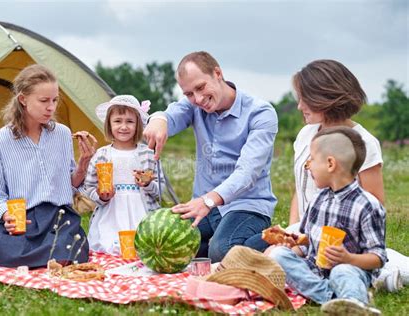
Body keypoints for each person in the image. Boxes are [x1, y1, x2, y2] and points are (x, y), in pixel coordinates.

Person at [143, 51, 278, 263]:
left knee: (222, 250)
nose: (197, 99)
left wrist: (207, 201)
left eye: (200, 87)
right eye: (189, 93)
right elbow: (171, 115)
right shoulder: (194, 106)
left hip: (246, 205)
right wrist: (158, 119)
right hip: (205, 208)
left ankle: (276, 241)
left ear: (217, 73)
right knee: (161, 242)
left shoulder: (260, 113)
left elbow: (247, 174)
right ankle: (213, 249)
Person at [288, 59, 407, 291]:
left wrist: (343, 250)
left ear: (326, 98)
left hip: (344, 243)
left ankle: (384, 271)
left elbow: (374, 204)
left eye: (306, 99)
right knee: (272, 255)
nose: (299, 106)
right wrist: (293, 231)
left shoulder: (364, 142)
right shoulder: (305, 135)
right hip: (307, 234)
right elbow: (299, 188)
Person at [0, 64, 97, 268]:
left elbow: (70, 184)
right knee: (3, 256)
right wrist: (7, 216)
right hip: (23, 219)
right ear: (23, 99)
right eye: (44, 101)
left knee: (69, 252)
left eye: (55, 100)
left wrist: (84, 162)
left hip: (58, 218)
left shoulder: (62, 134)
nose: (51, 107)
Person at [269, 126, 386, 315]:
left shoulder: (367, 205)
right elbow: (307, 240)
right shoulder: (318, 199)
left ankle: (352, 300)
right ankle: (336, 299)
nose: (308, 166)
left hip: (351, 270)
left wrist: (348, 258)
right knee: (278, 255)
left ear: (330, 164)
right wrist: (294, 241)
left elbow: (378, 257)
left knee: (342, 272)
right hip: (315, 270)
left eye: (312, 160)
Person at [83, 95, 160, 255]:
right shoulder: (102, 154)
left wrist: (147, 184)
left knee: (143, 248)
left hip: (141, 212)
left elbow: (160, 190)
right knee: (110, 247)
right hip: (111, 213)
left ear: (138, 125)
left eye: (129, 121)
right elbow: (88, 187)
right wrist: (101, 196)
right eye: (118, 121)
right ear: (109, 124)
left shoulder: (147, 154)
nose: (123, 126)